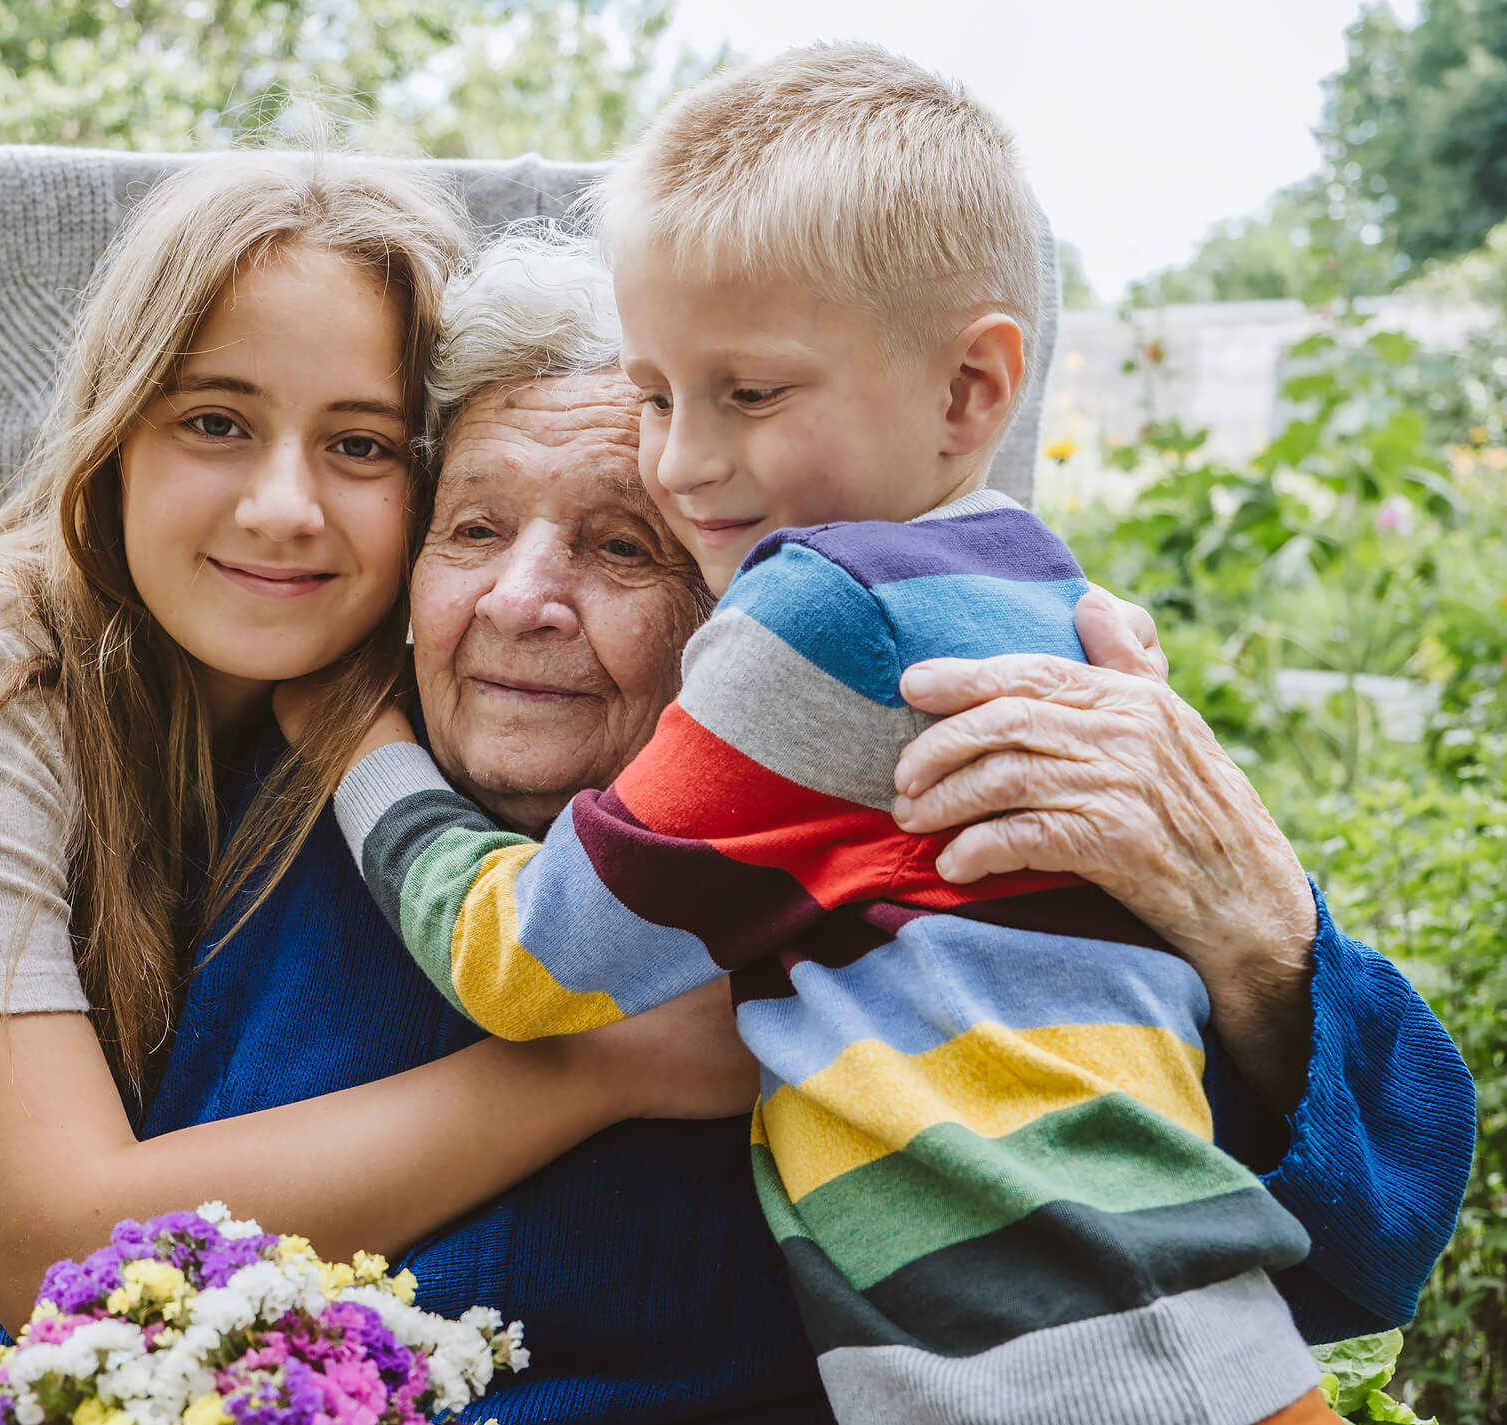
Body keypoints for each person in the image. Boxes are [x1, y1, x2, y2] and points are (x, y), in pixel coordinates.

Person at [299, 49, 1474, 1425]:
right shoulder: (997, 590)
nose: (685, 466)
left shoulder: (936, 674)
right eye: (475, 528)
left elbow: (1390, 1201)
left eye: (626, 541)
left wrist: (1257, 928)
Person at [0, 155, 752, 1425]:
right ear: (112, 429)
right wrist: (595, 1066)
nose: (283, 507)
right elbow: (50, 1248)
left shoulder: (366, 704)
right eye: (215, 421)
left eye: (361, 444)